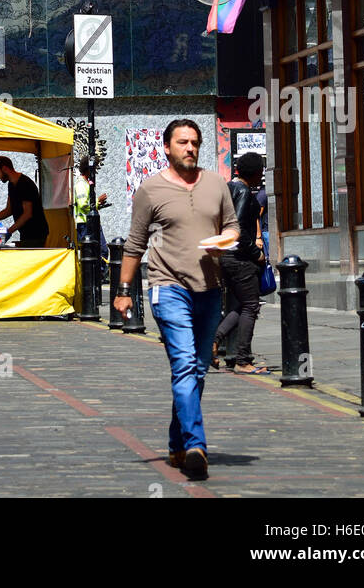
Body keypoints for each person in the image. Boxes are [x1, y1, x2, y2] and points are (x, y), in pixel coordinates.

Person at [114, 119, 239, 480]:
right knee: (184, 365)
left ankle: (176, 444)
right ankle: (196, 445)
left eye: (195, 142)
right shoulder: (151, 190)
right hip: (168, 287)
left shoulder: (217, 184)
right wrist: (124, 293)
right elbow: (135, 245)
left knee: (197, 371)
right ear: (166, 147)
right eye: (183, 142)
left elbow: (231, 225)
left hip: (211, 289)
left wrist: (227, 238)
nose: (190, 148)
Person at [212, 153, 267, 374]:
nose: (261, 176)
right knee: (251, 306)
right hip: (239, 258)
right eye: (260, 172)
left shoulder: (227, 188)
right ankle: (243, 360)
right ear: (255, 173)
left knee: (240, 305)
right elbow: (240, 231)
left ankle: (212, 341)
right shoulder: (243, 192)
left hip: (225, 255)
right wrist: (257, 254)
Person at [0, 156, 49, 247]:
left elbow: (27, 214)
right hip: (25, 234)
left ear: (5, 169)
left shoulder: (25, 184)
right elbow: (8, 210)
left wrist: (9, 231)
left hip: (36, 234)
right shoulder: (11, 184)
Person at [74, 156, 110, 261]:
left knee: (98, 251)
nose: (95, 171)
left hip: (90, 223)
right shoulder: (81, 185)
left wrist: (98, 203)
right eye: (94, 169)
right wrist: (98, 201)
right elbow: (83, 205)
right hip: (86, 224)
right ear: (89, 169)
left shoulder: (86, 184)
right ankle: (99, 275)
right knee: (99, 251)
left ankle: (99, 275)